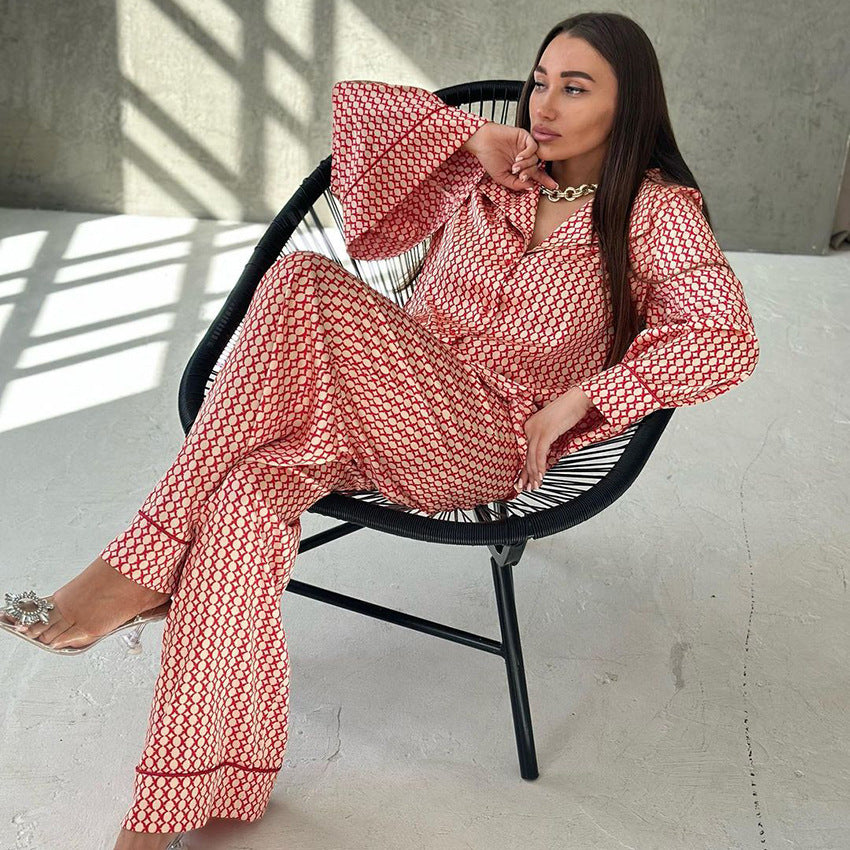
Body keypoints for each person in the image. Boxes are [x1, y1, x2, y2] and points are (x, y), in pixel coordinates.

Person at [0, 11, 759, 849]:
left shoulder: (655, 211)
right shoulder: (499, 170)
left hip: (482, 441)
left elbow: (726, 337)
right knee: (245, 495)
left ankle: (137, 566)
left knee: (304, 281)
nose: (544, 105)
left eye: (575, 89)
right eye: (540, 81)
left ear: (629, 105)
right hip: (374, 403)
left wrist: (587, 397)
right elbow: (355, 114)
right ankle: (175, 805)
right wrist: (470, 137)